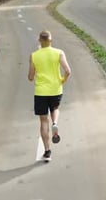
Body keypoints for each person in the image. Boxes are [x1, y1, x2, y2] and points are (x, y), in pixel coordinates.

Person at [28, 30, 71, 161]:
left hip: (41, 92)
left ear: (39, 41)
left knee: (43, 121)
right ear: (51, 41)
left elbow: (30, 77)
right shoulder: (59, 53)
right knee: (55, 109)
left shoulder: (34, 55)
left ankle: (47, 151)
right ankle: (56, 123)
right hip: (56, 89)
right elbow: (68, 71)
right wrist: (63, 80)